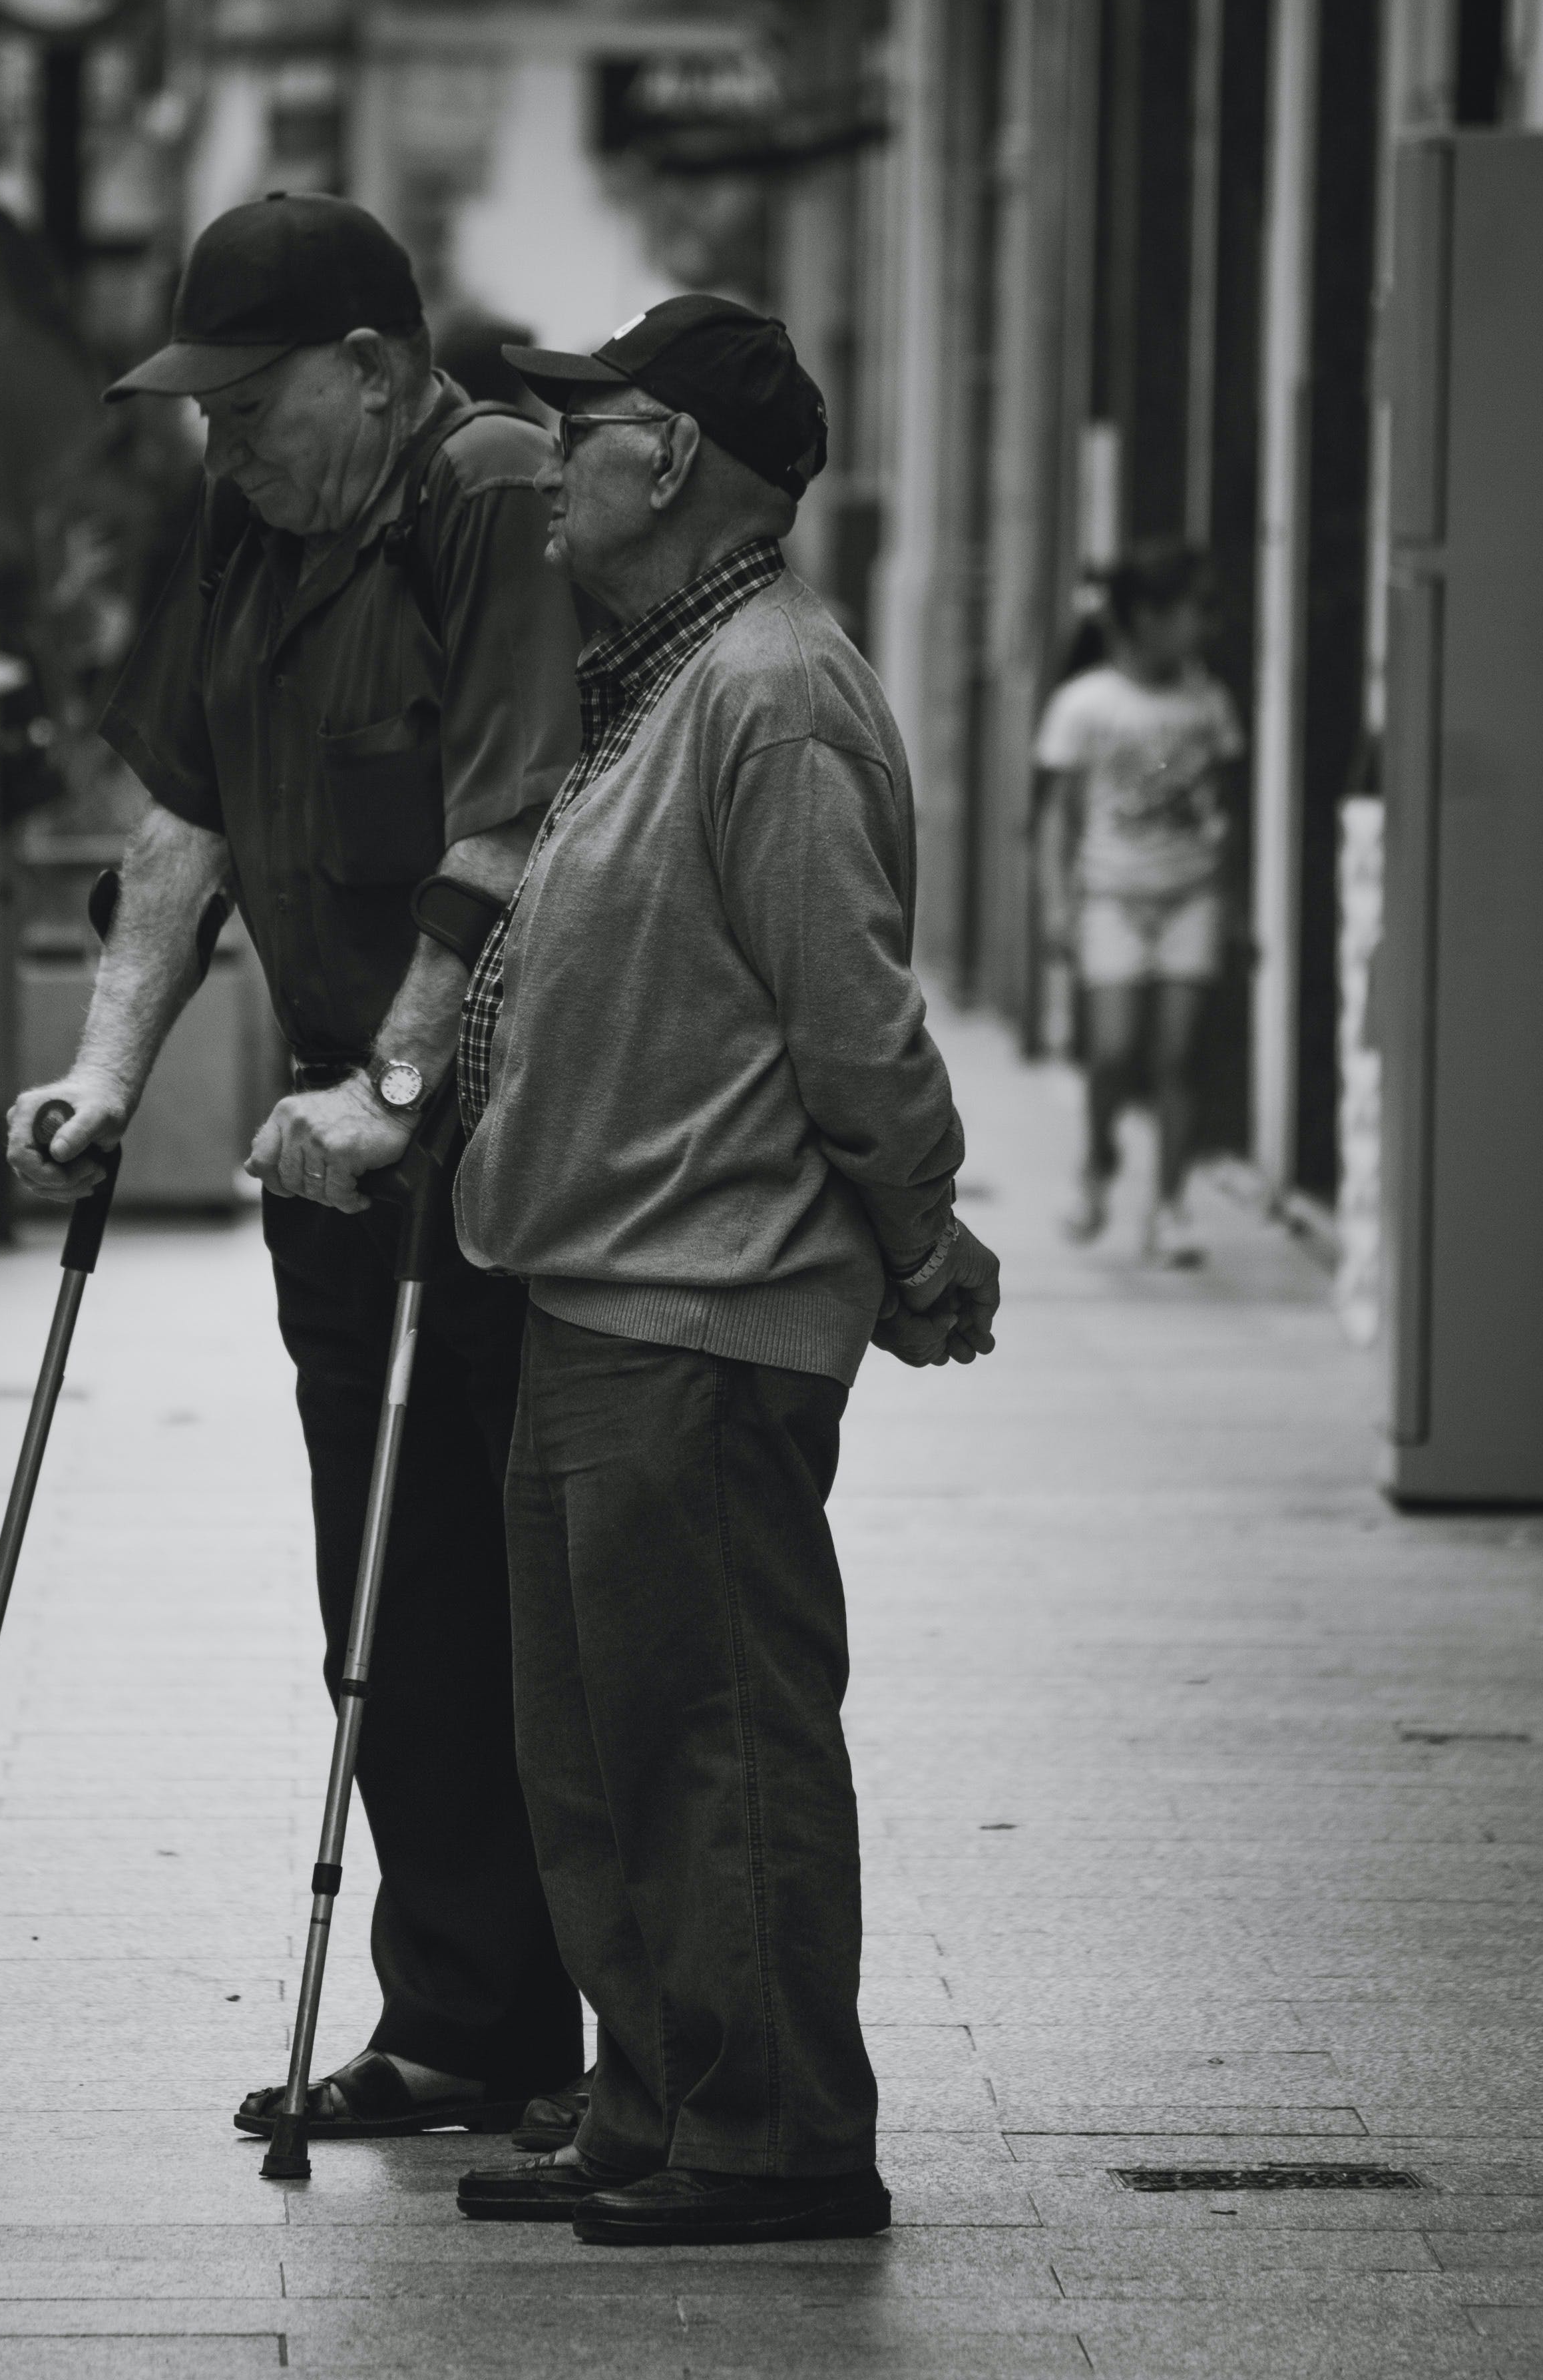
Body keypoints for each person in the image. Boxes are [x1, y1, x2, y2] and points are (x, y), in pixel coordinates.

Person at [5, 193, 588, 2144]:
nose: (214, 439)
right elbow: (184, 812)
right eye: (198, 406)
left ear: (368, 368)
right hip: (340, 1156)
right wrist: (100, 1071)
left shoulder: (486, 491)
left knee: (516, 1589)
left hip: (507, 1141)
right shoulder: (253, 523)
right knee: (383, 1587)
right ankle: (465, 2021)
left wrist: (398, 1085)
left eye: (246, 401)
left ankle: (589, 2034)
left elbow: (514, 818)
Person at [446, 294, 1002, 2247]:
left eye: (577, 425)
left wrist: (923, 1238)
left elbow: (849, 1013)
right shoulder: (655, 680)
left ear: (670, 458)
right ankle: (658, 2089)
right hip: (594, 1291)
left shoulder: (770, 690)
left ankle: (770, 2126)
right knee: (592, 1748)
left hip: (704, 1301)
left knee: (717, 1736)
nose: (542, 465)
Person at [1034, 541, 1244, 1268]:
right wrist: (1058, 906)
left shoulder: (1207, 701)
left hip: (1189, 895)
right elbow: (1058, 817)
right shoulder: (1085, 704)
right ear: (1147, 619)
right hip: (1112, 899)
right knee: (1114, 1053)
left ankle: (1171, 1206)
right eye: (1196, 612)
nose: (1206, 627)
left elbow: (1225, 804)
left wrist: (1232, 898)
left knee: (1179, 1058)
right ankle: (1098, 1164)